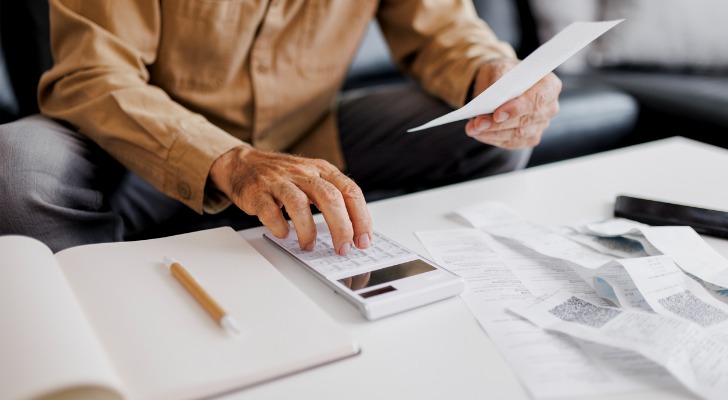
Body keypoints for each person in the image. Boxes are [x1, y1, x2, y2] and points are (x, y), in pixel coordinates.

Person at [0, 0, 561, 255]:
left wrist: (494, 75)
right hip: (139, 153)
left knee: (486, 132)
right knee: (15, 170)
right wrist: (229, 160)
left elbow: (444, 29)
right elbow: (93, 75)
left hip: (308, 138)